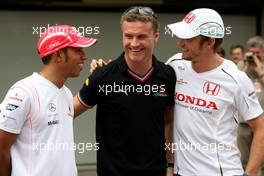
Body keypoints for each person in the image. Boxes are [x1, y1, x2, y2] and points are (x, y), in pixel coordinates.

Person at [74, 6, 176, 176]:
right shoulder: (102, 76)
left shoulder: (167, 75)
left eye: (141, 36)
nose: (134, 43)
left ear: (156, 36)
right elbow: (65, 113)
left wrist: (170, 166)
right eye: (129, 36)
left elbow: (169, 122)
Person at [166, 8, 264, 176]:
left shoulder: (236, 79)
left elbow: (261, 129)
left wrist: (250, 173)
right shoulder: (175, 64)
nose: (180, 42)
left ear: (210, 42)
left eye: (188, 38)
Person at [0, 24, 97, 176]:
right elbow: (1, 150)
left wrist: (98, 81)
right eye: (78, 49)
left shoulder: (65, 93)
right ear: (58, 54)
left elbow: (66, 112)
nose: (84, 56)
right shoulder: (23, 92)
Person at [237, 36, 264, 176]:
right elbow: (234, 82)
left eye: (257, 53)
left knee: (258, 161)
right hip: (243, 121)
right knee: (242, 158)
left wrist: (259, 68)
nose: (254, 56)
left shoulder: (262, 67)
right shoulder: (242, 65)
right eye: (251, 53)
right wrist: (246, 65)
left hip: (261, 121)